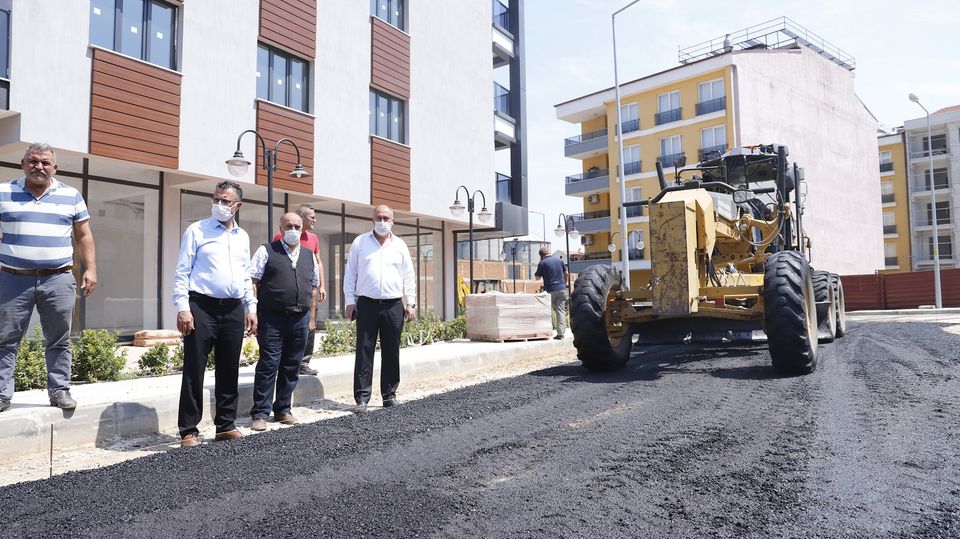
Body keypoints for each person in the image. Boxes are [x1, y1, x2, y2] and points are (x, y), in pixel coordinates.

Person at [0, 143, 98, 413]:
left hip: (57, 279)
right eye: (33, 161)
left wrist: (90, 269)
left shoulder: (71, 195)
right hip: (11, 278)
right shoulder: (3, 192)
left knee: (58, 339)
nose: (39, 166)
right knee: (5, 339)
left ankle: (59, 391)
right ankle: (1, 394)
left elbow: (84, 235)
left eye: (45, 162)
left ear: (55, 168)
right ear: (22, 164)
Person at [172, 180, 257, 448]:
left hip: (232, 308)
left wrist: (250, 307)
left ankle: (225, 425)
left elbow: (245, 276)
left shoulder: (242, 237)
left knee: (229, 368)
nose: (219, 205)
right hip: (201, 307)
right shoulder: (197, 230)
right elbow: (182, 271)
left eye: (226, 201)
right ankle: (188, 429)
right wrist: (183, 308)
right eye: (216, 199)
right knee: (194, 368)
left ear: (238, 206)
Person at [249, 212, 318, 431]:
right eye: (289, 226)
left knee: (291, 366)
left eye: (297, 226)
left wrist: (312, 318)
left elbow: (314, 287)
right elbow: (253, 281)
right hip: (272, 318)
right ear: (281, 227)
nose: (293, 230)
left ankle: (283, 409)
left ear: (302, 229)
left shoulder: (309, 255)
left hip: (300, 318)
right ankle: (260, 413)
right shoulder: (266, 250)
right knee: (269, 365)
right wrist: (252, 312)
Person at [343, 205, 416, 412]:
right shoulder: (360, 242)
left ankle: (389, 395)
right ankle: (362, 399)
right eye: (379, 217)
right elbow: (351, 274)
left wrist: (410, 302)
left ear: (393, 221)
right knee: (364, 350)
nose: (382, 221)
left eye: (386, 218)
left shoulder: (400, 245)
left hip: (394, 305)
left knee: (391, 351)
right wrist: (350, 301)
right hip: (367, 304)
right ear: (372, 219)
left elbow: (408, 276)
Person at [273, 204, 326, 375]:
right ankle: (285, 362)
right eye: (312, 217)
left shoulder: (313, 238)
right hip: (288, 293)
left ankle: (304, 362)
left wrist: (322, 285)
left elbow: (318, 262)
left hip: (309, 290)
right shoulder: (280, 236)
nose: (315, 220)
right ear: (301, 216)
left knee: (310, 324)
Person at [535, 247, 569, 340]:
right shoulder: (560, 260)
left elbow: (537, 278)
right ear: (549, 252)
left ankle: (546, 332)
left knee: (546, 312)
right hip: (562, 289)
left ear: (541, 256)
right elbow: (566, 273)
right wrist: (564, 284)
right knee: (560, 311)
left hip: (550, 290)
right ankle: (561, 334)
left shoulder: (542, 263)